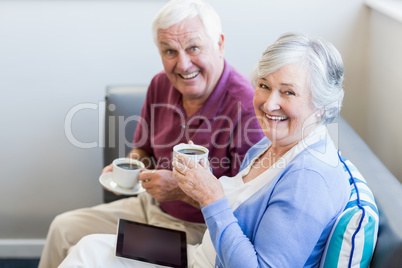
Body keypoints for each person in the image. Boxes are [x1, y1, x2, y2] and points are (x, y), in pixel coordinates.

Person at [58, 32, 351, 268]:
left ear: (322, 107)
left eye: (288, 92)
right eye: (263, 85)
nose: (268, 102)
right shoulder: (271, 144)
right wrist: (198, 185)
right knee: (88, 245)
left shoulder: (309, 178)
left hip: (203, 255)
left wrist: (209, 195)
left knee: (85, 259)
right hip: (196, 254)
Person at [38, 0, 264, 267]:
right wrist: (133, 169)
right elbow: (144, 150)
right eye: (169, 51)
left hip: (200, 234)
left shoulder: (248, 108)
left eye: (193, 47)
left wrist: (179, 191)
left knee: (90, 252)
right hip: (151, 208)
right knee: (63, 228)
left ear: (220, 44)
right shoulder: (160, 84)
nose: (183, 65)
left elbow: (245, 209)